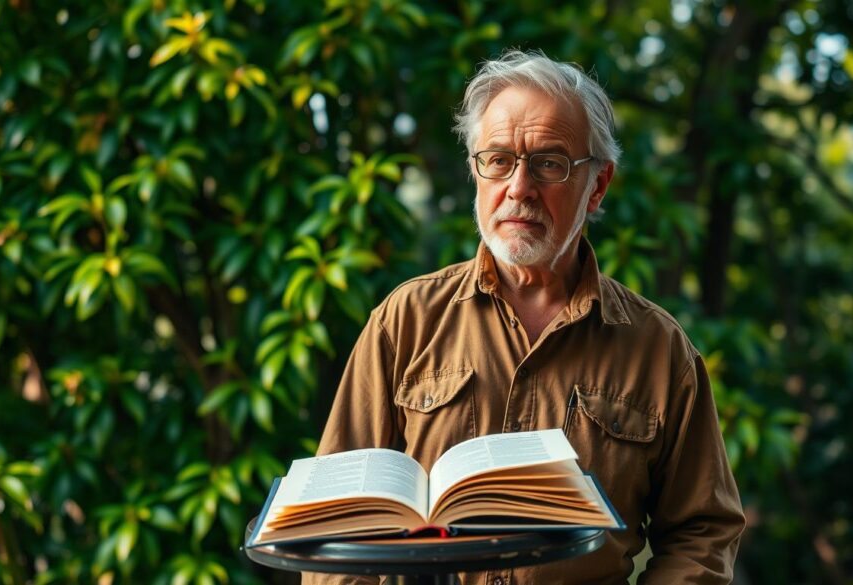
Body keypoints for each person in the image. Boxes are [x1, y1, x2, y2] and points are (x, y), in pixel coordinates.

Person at [306, 50, 745, 584]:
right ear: (476, 172)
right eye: (498, 160)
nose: (519, 188)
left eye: (549, 163)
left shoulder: (659, 349)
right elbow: (336, 520)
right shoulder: (405, 321)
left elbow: (703, 533)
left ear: (597, 186)